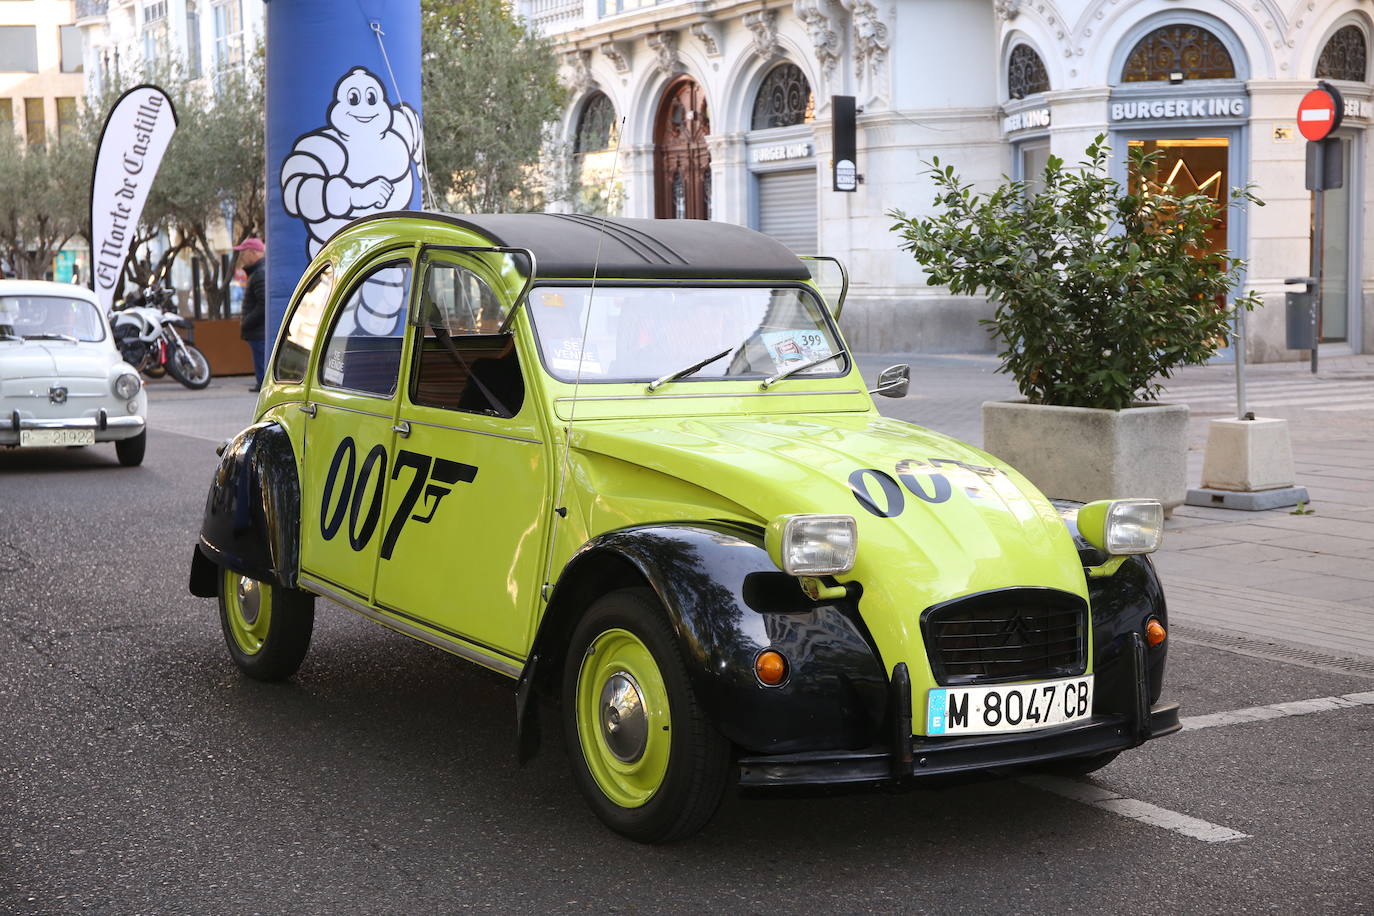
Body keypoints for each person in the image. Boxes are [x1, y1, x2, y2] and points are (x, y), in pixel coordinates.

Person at [234, 237, 267, 390]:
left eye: (244, 253)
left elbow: (263, 304)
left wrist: (247, 321)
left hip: (258, 331)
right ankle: (261, 384)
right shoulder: (259, 272)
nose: (242, 257)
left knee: (261, 360)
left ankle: (262, 386)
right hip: (258, 330)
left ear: (254, 253)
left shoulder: (259, 273)